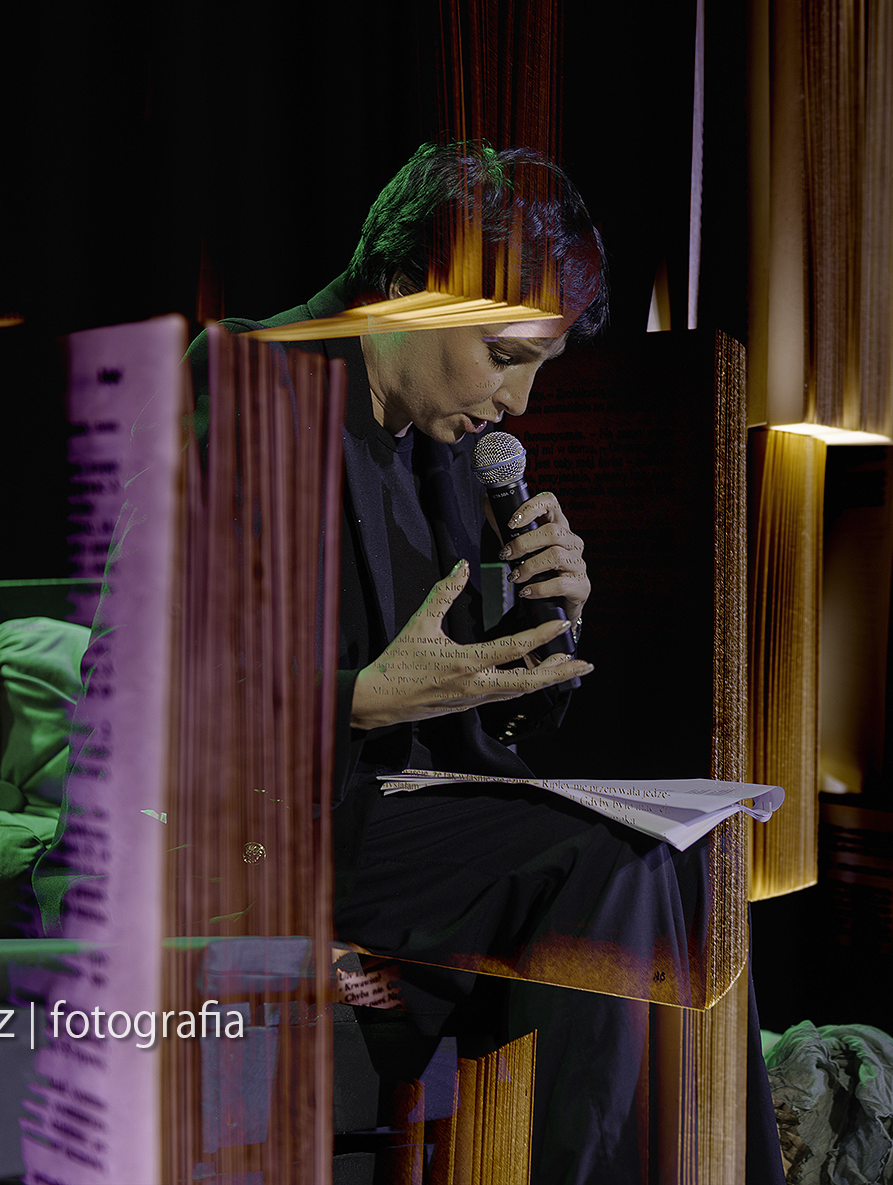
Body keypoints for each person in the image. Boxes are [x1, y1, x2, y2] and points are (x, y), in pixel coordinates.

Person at [191, 143, 786, 1183]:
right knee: (611, 863)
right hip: (272, 831)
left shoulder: (449, 449)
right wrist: (361, 701)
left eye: (536, 366)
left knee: (692, 856)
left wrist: (553, 625)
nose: (519, 403)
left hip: (404, 820)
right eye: (505, 355)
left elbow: (472, 713)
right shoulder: (244, 387)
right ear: (401, 289)